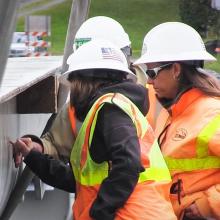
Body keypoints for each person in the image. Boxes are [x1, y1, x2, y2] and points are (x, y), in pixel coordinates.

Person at [11, 39, 177, 220]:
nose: (72, 90)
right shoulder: (109, 109)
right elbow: (81, 182)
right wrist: (33, 157)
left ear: (83, 81)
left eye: (73, 83)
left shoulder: (110, 109)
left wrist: (100, 212)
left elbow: (128, 164)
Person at [13, 16, 152, 167]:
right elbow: (57, 146)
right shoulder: (79, 103)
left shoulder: (157, 93)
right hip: (104, 189)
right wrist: (36, 147)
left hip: (147, 189)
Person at [134, 21, 220, 220]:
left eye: (152, 72)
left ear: (175, 70)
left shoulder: (211, 113)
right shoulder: (173, 113)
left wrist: (209, 205)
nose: (148, 81)